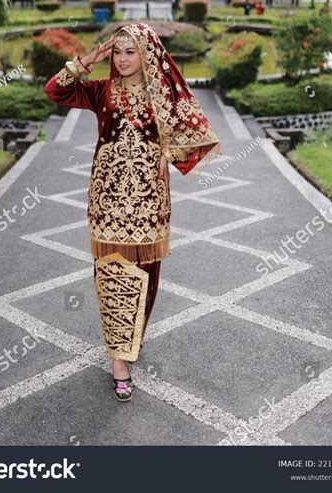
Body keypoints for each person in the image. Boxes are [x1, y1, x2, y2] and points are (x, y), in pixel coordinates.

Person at [44, 23, 222, 401]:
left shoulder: (163, 95)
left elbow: (198, 133)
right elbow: (54, 91)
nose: (123, 59)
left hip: (148, 199)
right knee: (110, 273)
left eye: (131, 51)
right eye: (117, 52)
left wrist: (169, 152)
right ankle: (119, 359)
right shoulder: (101, 90)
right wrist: (85, 61)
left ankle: (132, 338)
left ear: (147, 54)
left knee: (147, 274)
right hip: (107, 198)